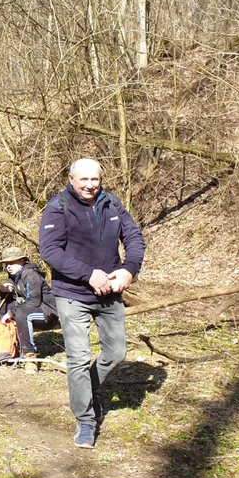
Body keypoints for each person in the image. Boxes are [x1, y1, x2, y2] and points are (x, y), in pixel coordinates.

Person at [39, 158, 145, 449]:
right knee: (78, 357)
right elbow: (49, 250)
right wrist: (88, 275)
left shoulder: (112, 204)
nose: (89, 185)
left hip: (110, 292)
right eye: (83, 179)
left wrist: (129, 269)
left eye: (94, 180)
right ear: (71, 179)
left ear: (101, 180)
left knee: (117, 352)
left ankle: (91, 387)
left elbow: (134, 237)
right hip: (71, 293)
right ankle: (85, 420)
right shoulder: (58, 207)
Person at [0, 247, 60, 374]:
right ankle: (5, 344)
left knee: (21, 314)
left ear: (21, 260)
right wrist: (1, 289)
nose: (9, 266)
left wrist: (11, 313)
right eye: (6, 263)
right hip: (29, 309)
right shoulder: (15, 275)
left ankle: (30, 357)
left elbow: (34, 301)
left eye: (12, 262)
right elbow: (13, 298)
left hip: (48, 312)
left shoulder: (31, 275)